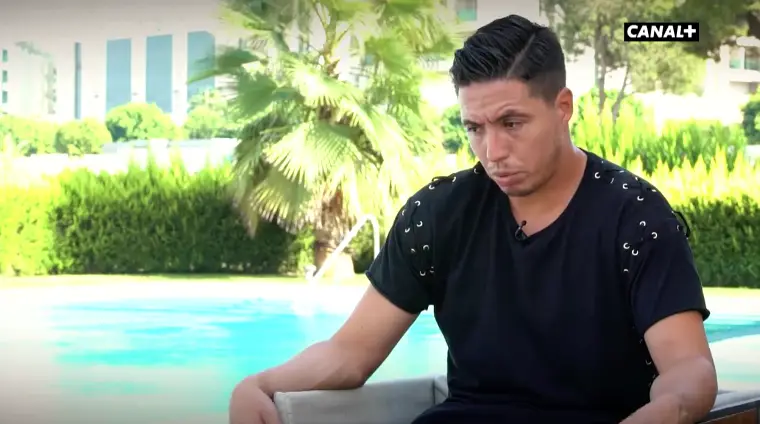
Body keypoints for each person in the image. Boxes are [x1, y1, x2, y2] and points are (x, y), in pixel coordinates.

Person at [229, 14, 718, 424]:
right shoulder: (438, 215)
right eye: (474, 128)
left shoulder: (634, 218)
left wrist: (666, 411)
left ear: (563, 107)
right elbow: (349, 354)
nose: (493, 150)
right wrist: (259, 385)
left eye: (511, 123)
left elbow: (688, 368)